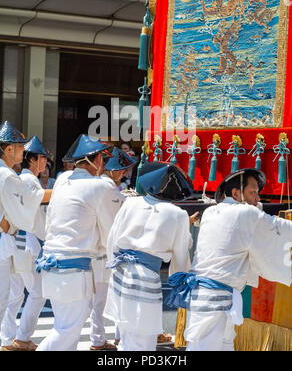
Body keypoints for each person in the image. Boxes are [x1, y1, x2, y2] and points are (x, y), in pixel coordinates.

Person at [167, 168, 292, 351]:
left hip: (210, 296)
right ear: (236, 193)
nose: (258, 198)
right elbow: (278, 227)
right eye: (253, 192)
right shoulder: (245, 214)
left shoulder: (211, 212)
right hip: (215, 298)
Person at [35, 135, 124, 351]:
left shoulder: (63, 180)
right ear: (97, 160)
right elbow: (112, 230)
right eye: (102, 157)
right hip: (73, 268)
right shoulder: (101, 186)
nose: (104, 163)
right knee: (67, 331)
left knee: (65, 328)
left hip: (52, 262)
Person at [103, 161, 199, 351]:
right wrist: (180, 281)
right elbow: (181, 253)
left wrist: (111, 264)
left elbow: (112, 239)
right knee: (143, 340)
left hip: (121, 270)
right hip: (146, 275)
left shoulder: (131, 203)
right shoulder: (177, 214)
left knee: (128, 334)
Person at [0, 122, 51, 352]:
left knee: (7, 299)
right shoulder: (7, 176)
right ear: (8, 149)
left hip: (1, 243)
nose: (22, 151)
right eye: (18, 147)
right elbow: (24, 213)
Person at [89, 147, 137, 351]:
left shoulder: (104, 187)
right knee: (104, 298)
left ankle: (104, 338)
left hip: (100, 249)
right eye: (122, 169)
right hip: (105, 250)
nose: (124, 173)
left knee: (101, 299)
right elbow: (112, 226)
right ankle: (101, 340)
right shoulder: (107, 189)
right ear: (114, 170)